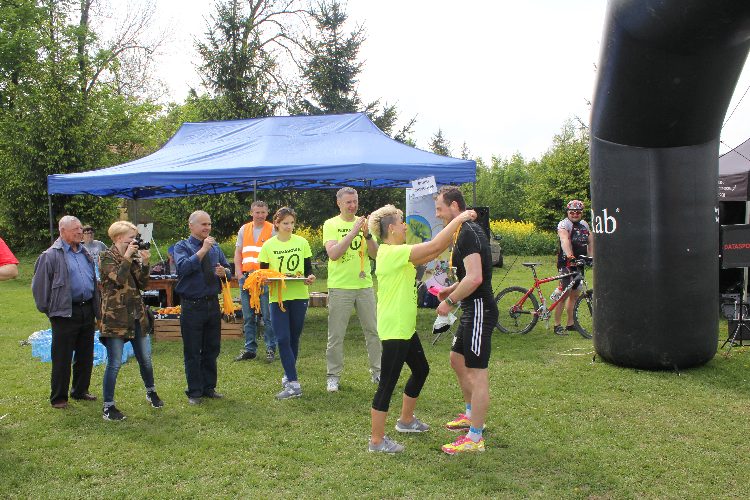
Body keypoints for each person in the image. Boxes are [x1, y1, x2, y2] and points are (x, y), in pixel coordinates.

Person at [366, 204, 476, 453]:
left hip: (404, 327)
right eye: (401, 222)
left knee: (421, 369)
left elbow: (432, 252)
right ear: (391, 229)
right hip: (395, 328)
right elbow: (435, 245)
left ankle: (406, 421)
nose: (405, 226)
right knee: (387, 384)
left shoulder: (398, 252)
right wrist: (459, 218)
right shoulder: (391, 253)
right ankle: (377, 441)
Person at [434, 186, 498, 454]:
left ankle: (475, 437)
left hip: (480, 308)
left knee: (477, 372)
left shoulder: (468, 232)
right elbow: (470, 274)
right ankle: (470, 415)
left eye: (439, 208)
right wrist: (452, 288)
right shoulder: (463, 230)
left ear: (454, 206)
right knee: (457, 359)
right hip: (472, 307)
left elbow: (476, 278)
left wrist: (449, 302)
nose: (437, 214)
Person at [31, 216, 100, 409]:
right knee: (62, 357)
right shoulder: (50, 255)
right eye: (75, 229)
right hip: (64, 313)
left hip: (87, 309)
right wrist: (52, 311)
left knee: (86, 354)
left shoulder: (85, 252)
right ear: (62, 231)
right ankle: (59, 397)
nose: (80, 232)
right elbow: (39, 288)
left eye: (80, 228)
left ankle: (80, 390)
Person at [98, 221, 164, 421]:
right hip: (115, 318)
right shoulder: (105, 257)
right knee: (115, 363)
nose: (135, 241)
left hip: (136, 314)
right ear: (119, 238)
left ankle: (151, 392)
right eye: (131, 238)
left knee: (145, 359)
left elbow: (143, 284)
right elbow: (118, 279)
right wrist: (127, 257)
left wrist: (145, 263)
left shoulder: (133, 256)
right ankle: (108, 406)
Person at [323, 187, 381, 392]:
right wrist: (353, 232)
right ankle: (333, 376)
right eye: (348, 202)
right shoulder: (331, 224)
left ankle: (378, 372)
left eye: (355, 201)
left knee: (373, 331)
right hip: (340, 287)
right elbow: (334, 254)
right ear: (339, 203)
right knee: (336, 335)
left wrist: (367, 236)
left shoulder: (365, 224)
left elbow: (375, 255)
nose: (352, 205)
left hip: (364, 286)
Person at [173, 210, 231, 405]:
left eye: (209, 224)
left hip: (212, 304)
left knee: (212, 348)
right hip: (192, 305)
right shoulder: (182, 246)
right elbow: (183, 268)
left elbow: (228, 269)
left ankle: (209, 388)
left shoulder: (215, 247)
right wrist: (203, 250)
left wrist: (225, 272)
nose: (207, 227)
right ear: (191, 226)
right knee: (192, 350)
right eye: (203, 224)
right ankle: (195, 391)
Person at [258, 207, 315, 400]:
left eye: (291, 223)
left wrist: (310, 277)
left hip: (299, 295)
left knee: (293, 339)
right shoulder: (268, 246)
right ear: (276, 223)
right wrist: (265, 280)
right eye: (285, 223)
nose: (289, 226)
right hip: (278, 298)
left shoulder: (302, 242)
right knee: (282, 338)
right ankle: (293, 383)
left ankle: (288, 375)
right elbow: (263, 273)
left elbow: (307, 270)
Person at [233, 200, 277, 362]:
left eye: (263, 212)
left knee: (268, 316)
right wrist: (239, 273)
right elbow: (238, 252)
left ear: (267, 213)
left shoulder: (272, 229)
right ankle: (249, 349)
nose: (260, 215)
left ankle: (270, 348)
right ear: (251, 213)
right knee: (248, 316)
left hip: (264, 278)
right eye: (257, 212)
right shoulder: (244, 229)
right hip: (246, 278)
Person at [552, 199, 594, 336]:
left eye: (578, 212)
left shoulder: (584, 225)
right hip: (566, 263)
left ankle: (570, 324)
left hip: (579, 264)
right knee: (564, 294)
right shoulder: (564, 224)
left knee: (575, 295)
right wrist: (570, 255)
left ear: (581, 213)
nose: (575, 214)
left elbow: (590, 242)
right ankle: (557, 325)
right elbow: (564, 240)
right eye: (572, 212)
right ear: (568, 212)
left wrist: (591, 257)